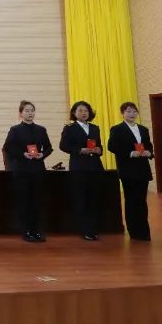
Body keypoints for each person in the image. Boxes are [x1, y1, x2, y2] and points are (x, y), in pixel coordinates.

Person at [2, 100, 53, 242]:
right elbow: (8, 148)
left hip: (37, 169)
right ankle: (26, 231)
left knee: (37, 201)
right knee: (24, 201)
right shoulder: (15, 130)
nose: (30, 113)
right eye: (27, 111)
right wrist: (22, 154)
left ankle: (37, 231)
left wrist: (42, 155)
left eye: (32, 110)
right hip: (21, 170)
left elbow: (49, 148)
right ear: (21, 113)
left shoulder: (41, 130)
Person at [107, 102, 154, 241]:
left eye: (134, 111)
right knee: (131, 200)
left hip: (143, 169)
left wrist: (149, 152)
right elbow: (112, 146)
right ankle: (134, 230)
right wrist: (130, 153)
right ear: (123, 113)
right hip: (128, 169)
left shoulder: (143, 129)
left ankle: (144, 230)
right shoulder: (117, 129)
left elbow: (149, 145)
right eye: (128, 111)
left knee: (142, 200)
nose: (132, 114)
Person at [59, 101, 106, 241]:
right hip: (79, 167)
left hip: (95, 167)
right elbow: (63, 146)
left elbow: (99, 145)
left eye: (86, 110)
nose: (83, 113)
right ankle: (84, 229)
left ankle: (94, 228)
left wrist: (99, 150)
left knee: (94, 198)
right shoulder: (69, 128)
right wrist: (80, 150)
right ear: (74, 113)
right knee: (81, 198)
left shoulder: (95, 128)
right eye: (80, 110)